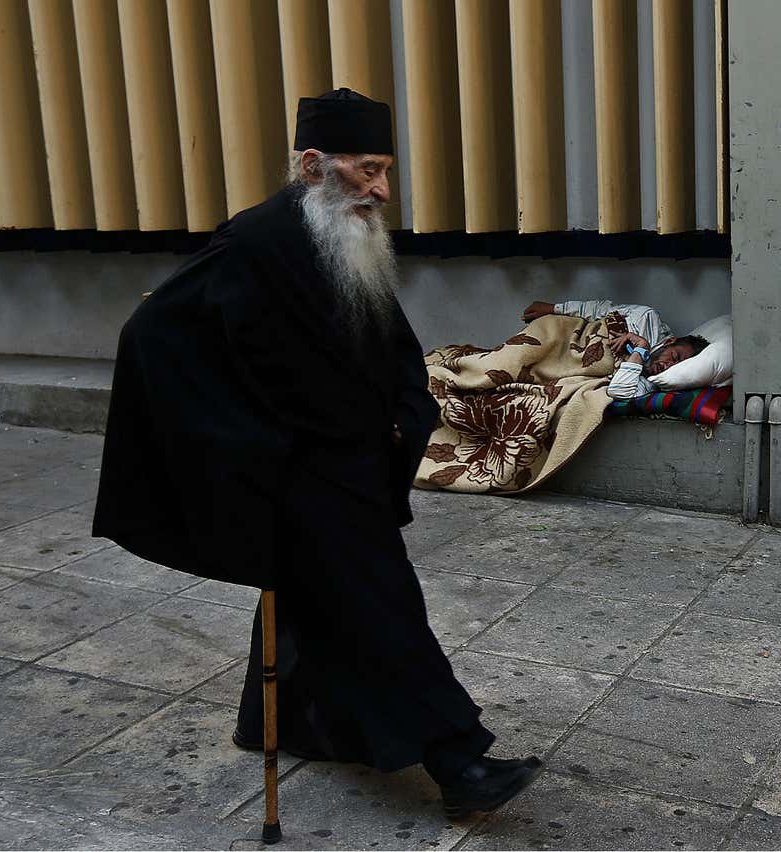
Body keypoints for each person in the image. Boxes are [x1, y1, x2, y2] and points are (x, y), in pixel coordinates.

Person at [92, 88, 542, 818]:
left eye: (386, 171)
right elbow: (150, 337)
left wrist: (407, 411)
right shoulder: (254, 242)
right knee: (381, 606)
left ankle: (274, 720)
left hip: (354, 458)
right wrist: (250, 439)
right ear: (312, 165)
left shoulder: (346, 233)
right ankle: (460, 762)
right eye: (368, 170)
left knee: (315, 598)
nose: (382, 190)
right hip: (302, 469)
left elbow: (385, 338)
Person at [521, 299, 708, 399]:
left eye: (675, 367)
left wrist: (641, 349)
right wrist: (554, 308)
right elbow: (602, 310)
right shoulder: (646, 318)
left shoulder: (656, 381)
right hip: (565, 337)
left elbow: (619, 390)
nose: (667, 366)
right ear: (670, 342)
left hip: (567, 367)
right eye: (673, 357)